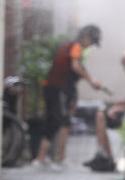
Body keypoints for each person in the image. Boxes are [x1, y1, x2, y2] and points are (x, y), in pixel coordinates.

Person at [31, 24, 102, 171]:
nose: (91, 45)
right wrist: (91, 80)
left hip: (55, 89)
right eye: (92, 41)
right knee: (63, 123)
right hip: (59, 90)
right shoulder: (75, 46)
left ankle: (42, 158)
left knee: (54, 122)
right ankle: (57, 160)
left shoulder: (70, 46)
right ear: (86, 36)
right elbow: (75, 67)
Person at [83, 47, 125, 172]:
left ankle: (104, 154)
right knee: (101, 112)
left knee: (101, 114)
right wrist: (115, 104)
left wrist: (117, 107)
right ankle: (104, 154)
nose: (124, 69)